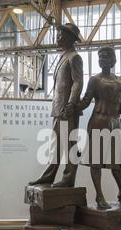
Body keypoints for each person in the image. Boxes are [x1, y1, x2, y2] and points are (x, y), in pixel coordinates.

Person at [78, 47, 121, 209]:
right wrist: (72, 106)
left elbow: (120, 109)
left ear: (113, 60)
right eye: (100, 57)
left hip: (115, 124)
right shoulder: (95, 80)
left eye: (105, 56)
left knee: (117, 163)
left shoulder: (120, 83)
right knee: (96, 162)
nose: (101, 59)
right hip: (98, 121)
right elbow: (85, 101)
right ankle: (99, 196)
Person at [28, 23, 83, 188]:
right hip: (59, 109)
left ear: (71, 38)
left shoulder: (74, 57)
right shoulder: (63, 56)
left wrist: (71, 104)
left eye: (61, 34)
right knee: (56, 145)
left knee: (70, 146)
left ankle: (68, 179)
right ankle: (49, 176)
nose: (57, 37)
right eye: (57, 34)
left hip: (67, 109)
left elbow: (78, 83)